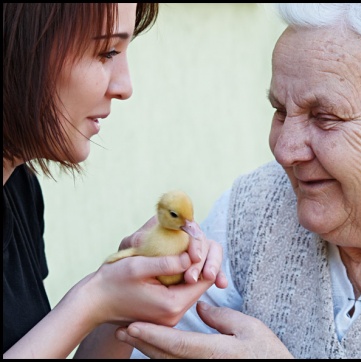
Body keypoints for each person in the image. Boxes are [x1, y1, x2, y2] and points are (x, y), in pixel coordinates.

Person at [116, 3, 361, 359]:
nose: (285, 151)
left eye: (325, 117)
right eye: (280, 111)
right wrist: (121, 302)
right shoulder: (252, 212)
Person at [3, 3, 227, 359]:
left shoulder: (19, 189)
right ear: (20, 45)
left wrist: (123, 302)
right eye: (106, 51)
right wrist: (92, 299)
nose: (124, 86)